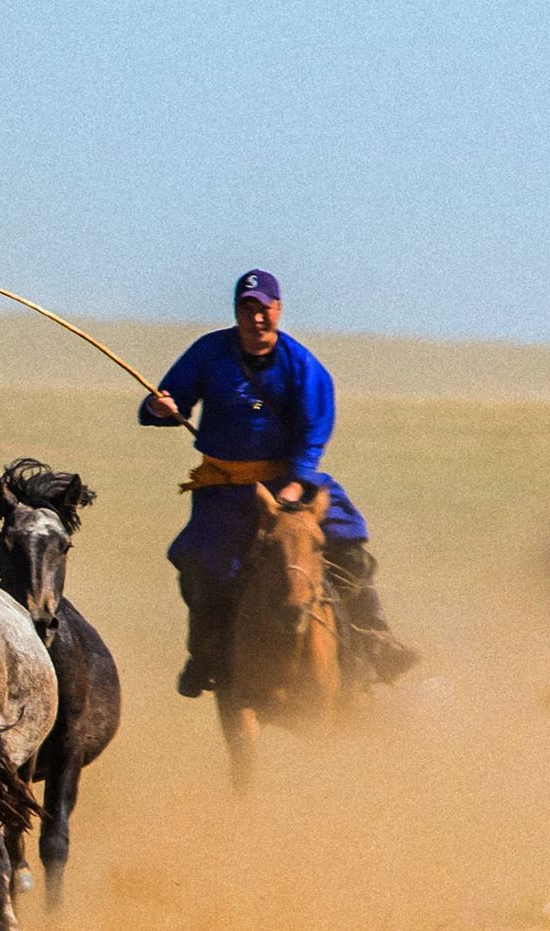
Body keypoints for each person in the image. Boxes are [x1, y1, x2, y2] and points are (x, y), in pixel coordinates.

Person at [140, 269, 419, 697]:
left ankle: (375, 640)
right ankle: (206, 654)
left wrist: (294, 484)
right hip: (226, 490)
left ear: (279, 310)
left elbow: (314, 434)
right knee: (200, 564)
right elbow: (164, 401)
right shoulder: (208, 353)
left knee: (349, 544)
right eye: (246, 309)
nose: (255, 319)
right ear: (236, 312)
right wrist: (159, 407)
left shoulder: (303, 366)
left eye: (263, 310)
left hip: (291, 482)